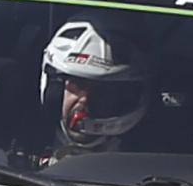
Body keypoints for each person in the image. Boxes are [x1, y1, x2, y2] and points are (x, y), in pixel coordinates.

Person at [25, 19, 156, 166]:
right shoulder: (21, 139)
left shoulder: (150, 163)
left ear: (128, 98)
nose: (85, 99)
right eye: (77, 84)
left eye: (104, 90)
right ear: (57, 88)